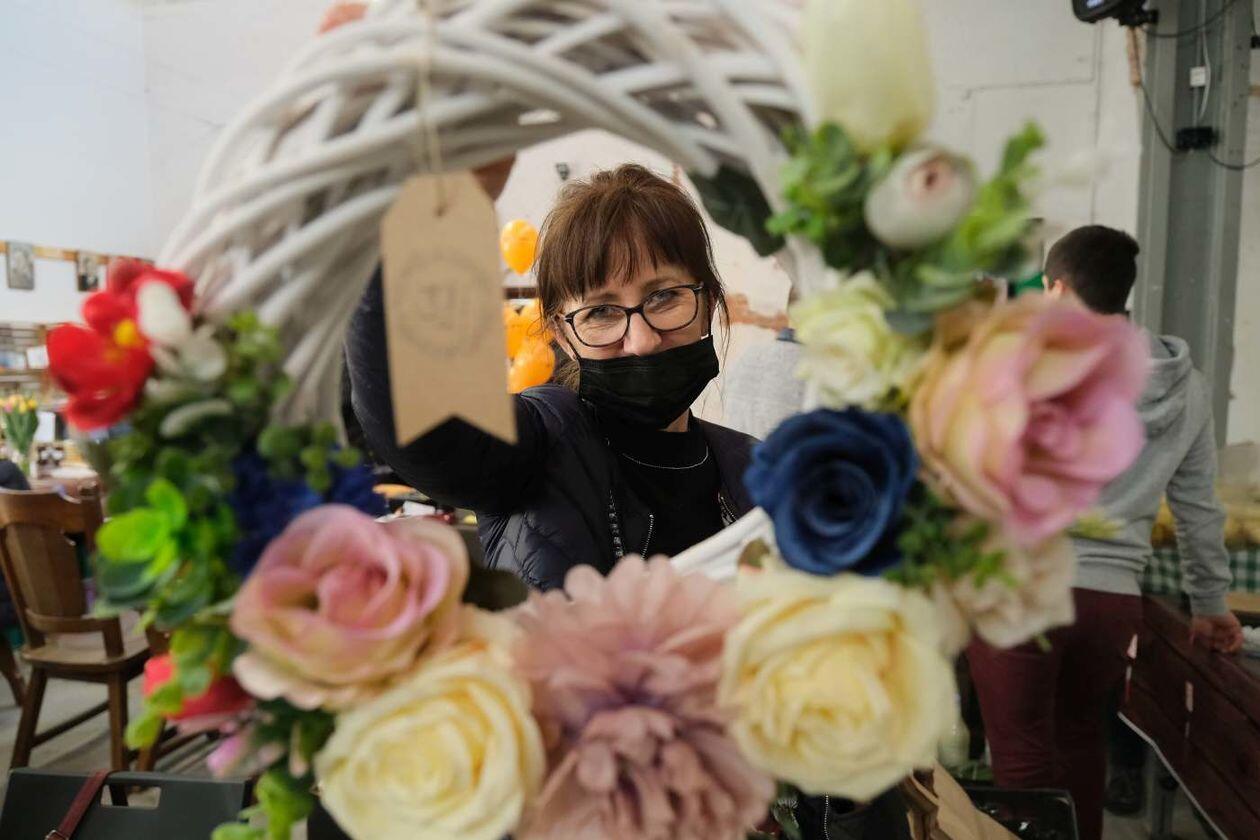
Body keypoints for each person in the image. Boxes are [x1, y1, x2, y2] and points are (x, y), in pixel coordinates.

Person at [345, 163, 757, 590]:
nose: (641, 341)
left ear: (708, 301)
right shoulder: (541, 445)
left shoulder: (757, 468)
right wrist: (429, 221)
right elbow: (411, 407)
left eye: (664, 296)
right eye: (601, 311)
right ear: (563, 334)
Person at [966, 225, 1242, 840]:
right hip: (1110, 603)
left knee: (1020, 763)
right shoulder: (1185, 385)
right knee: (1080, 745)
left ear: (1057, 288)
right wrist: (1210, 605)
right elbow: (1198, 507)